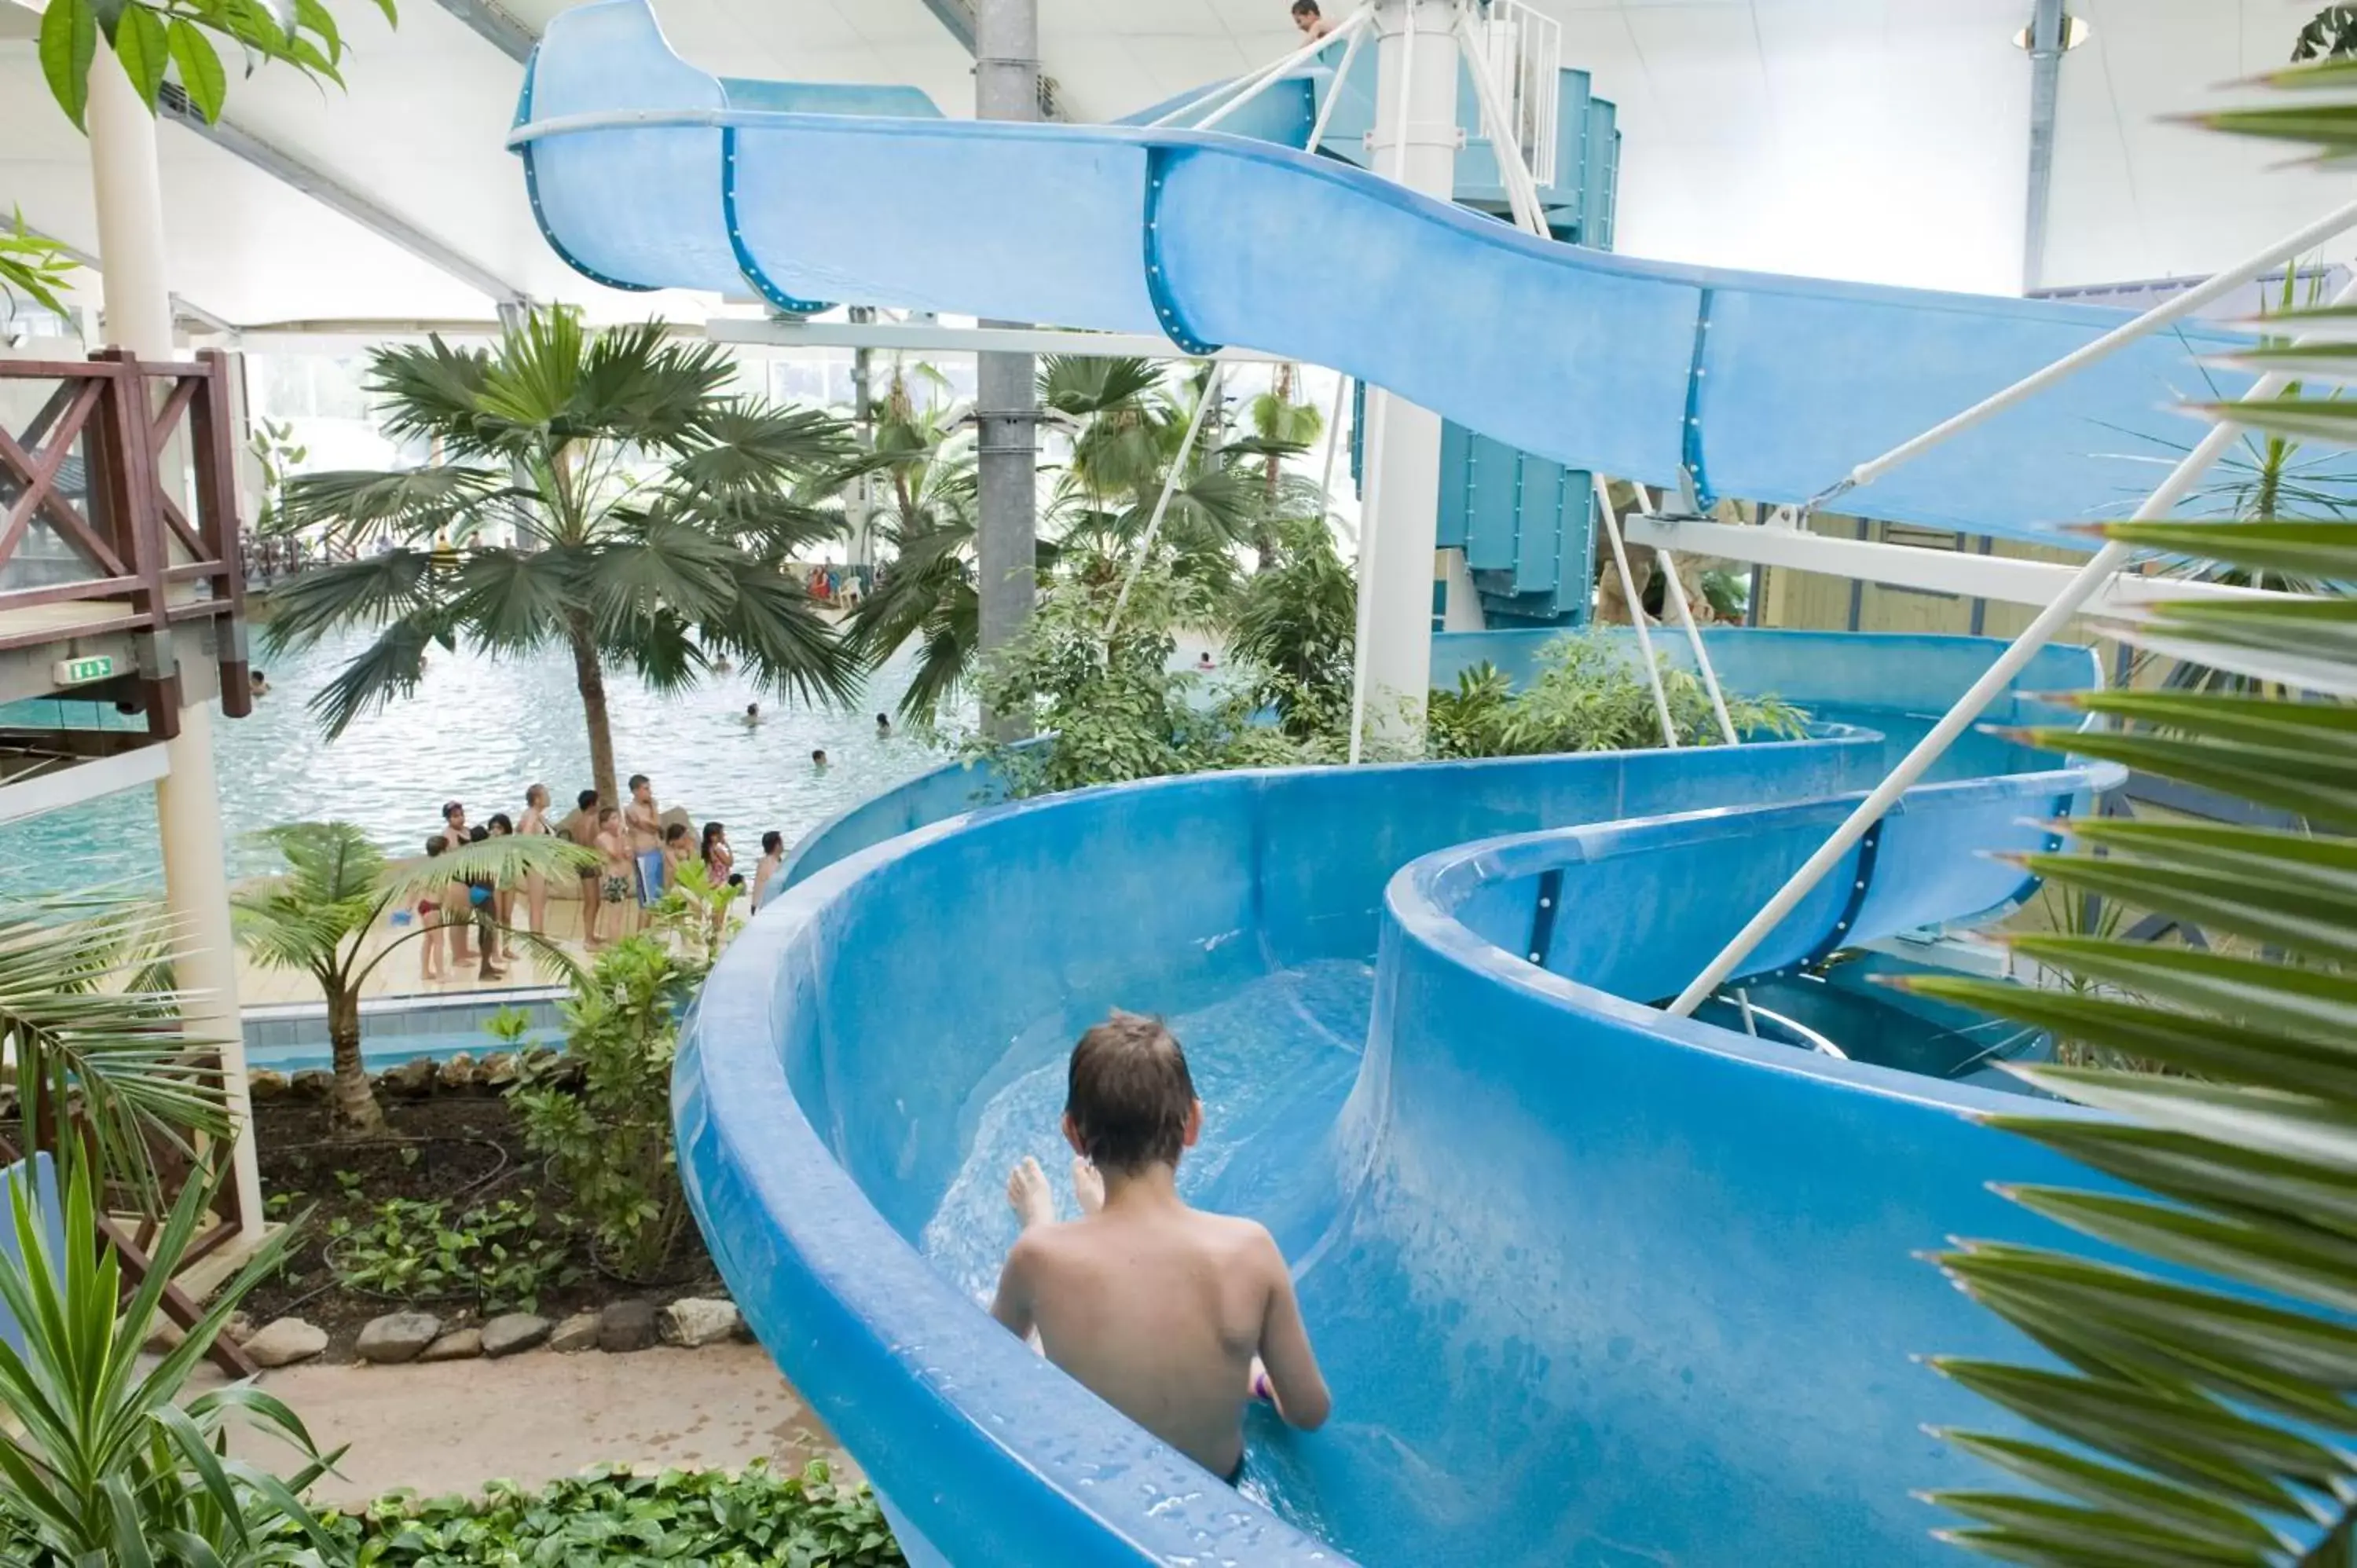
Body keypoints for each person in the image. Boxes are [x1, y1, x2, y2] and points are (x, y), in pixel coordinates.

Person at [991, 1012, 1330, 1486]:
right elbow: (1309, 1412)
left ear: (1072, 1135)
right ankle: (1252, 1375)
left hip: (1101, 1492)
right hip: (1218, 1488)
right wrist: (1268, 1384)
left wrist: (1038, 1230)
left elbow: (994, 1368)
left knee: (1055, 1317)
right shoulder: (1250, 1249)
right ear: (1194, 1123)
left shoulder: (1035, 1258)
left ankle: (1071, 1219)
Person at [464, 824, 506, 981]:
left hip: (475, 891)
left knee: (484, 931)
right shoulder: (485, 853)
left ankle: (487, 965)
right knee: (489, 932)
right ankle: (484, 971)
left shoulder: (471, 852)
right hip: (485, 893)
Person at [565, 788, 603, 947]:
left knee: (594, 901)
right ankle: (588, 938)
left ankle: (591, 934)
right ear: (592, 804)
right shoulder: (593, 821)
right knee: (592, 902)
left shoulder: (577, 822)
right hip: (589, 863)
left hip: (581, 862)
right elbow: (596, 842)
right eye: (598, 801)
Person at [439, 802, 475, 969]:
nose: (460, 818)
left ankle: (464, 950)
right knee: (457, 919)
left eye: (461, 814)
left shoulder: (467, 831)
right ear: (448, 819)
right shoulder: (447, 836)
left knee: (466, 917)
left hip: (469, 877)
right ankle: (457, 956)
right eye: (455, 816)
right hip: (456, 879)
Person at [518, 785, 555, 940]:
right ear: (537, 799)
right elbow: (525, 837)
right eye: (546, 794)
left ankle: (541, 937)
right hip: (535, 865)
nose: (549, 797)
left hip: (544, 864)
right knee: (536, 905)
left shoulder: (538, 815)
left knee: (541, 904)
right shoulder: (531, 815)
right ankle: (537, 942)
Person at [594, 807, 635, 936]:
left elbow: (629, 855)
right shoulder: (603, 838)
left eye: (617, 817)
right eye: (613, 818)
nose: (617, 821)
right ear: (604, 824)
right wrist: (618, 836)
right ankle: (614, 945)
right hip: (614, 880)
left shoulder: (621, 837)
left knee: (620, 915)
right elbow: (616, 855)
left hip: (623, 878)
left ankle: (616, 942)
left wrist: (625, 842)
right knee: (615, 916)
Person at [625, 774, 665, 906]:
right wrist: (652, 818)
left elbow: (657, 824)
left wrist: (653, 807)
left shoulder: (652, 805)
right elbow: (652, 828)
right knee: (648, 897)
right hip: (643, 853)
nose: (650, 792)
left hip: (656, 850)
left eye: (649, 788)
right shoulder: (631, 810)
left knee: (659, 892)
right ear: (636, 791)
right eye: (646, 789)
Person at [416, 836, 450, 984]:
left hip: (424, 905)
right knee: (438, 942)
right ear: (442, 851)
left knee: (428, 940)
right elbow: (444, 890)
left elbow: (415, 886)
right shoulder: (440, 868)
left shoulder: (425, 867)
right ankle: (440, 974)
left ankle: (425, 972)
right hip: (433, 907)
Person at [486, 812, 519, 965]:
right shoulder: (489, 844)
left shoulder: (512, 843)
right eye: (493, 827)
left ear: (506, 829)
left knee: (507, 917)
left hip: (510, 882)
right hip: (496, 883)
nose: (496, 830)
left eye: (499, 827)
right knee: (496, 918)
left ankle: (506, 948)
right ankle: (494, 952)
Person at [751, 830, 786, 910]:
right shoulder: (772, 865)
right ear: (777, 845)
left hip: (757, 906)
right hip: (764, 908)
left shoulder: (763, 862)